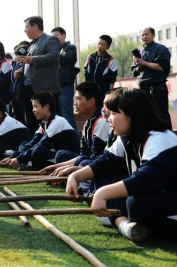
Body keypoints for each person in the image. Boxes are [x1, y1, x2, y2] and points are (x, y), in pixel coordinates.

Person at [66, 88, 177, 242]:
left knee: (137, 202)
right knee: (103, 178)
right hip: (160, 199)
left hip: (168, 197)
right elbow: (104, 162)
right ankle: (125, 224)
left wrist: (102, 193)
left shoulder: (159, 138)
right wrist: (75, 176)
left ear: (132, 115)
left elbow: (146, 179)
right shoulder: (126, 137)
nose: (109, 118)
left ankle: (123, 221)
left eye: (114, 113)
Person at [41, 81, 111, 193]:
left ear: (92, 101)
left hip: (99, 167)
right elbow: (83, 153)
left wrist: (71, 170)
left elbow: (95, 158)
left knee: (83, 162)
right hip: (89, 163)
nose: (75, 103)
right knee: (64, 156)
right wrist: (58, 167)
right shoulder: (88, 123)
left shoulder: (102, 122)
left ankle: (86, 189)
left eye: (79, 99)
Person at [0, 91, 79, 171]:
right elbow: (32, 143)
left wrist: (19, 159)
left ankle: (34, 166)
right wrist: (14, 157)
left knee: (38, 150)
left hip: (67, 158)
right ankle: (31, 165)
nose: (33, 110)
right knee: (24, 144)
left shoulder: (58, 122)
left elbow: (41, 144)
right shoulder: (44, 124)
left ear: (46, 107)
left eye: (35, 106)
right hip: (54, 154)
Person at [15, 16, 61, 133]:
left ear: (35, 26)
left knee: (48, 122)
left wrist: (33, 60)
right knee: (31, 121)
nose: (25, 30)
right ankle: (34, 146)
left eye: (26, 27)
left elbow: (54, 57)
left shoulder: (50, 40)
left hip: (43, 88)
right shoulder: (32, 44)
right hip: (28, 88)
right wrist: (21, 71)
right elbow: (29, 62)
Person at [131, 27, 171, 125]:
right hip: (143, 88)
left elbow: (161, 67)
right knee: (144, 115)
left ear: (153, 35)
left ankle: (167, 138)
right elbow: (134, 72)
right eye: (142, 35)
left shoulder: (161, 49)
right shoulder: (139, 51)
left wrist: (143, 63)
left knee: (161, 115)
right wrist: (139, 66)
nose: (144, 37)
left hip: (157, 88)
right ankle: (149, 139)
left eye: (147, 34)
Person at [52, 27, 78, 131]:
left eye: (57, 36)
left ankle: (74, 141)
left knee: (67, 114)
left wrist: (54, 51)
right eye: (53, 37)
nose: (55, 39)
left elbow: (65, 58)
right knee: (57, 116)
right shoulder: (53, 49)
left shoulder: (70, 47)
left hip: (65, 85)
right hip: (54, 86)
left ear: (64, 35)